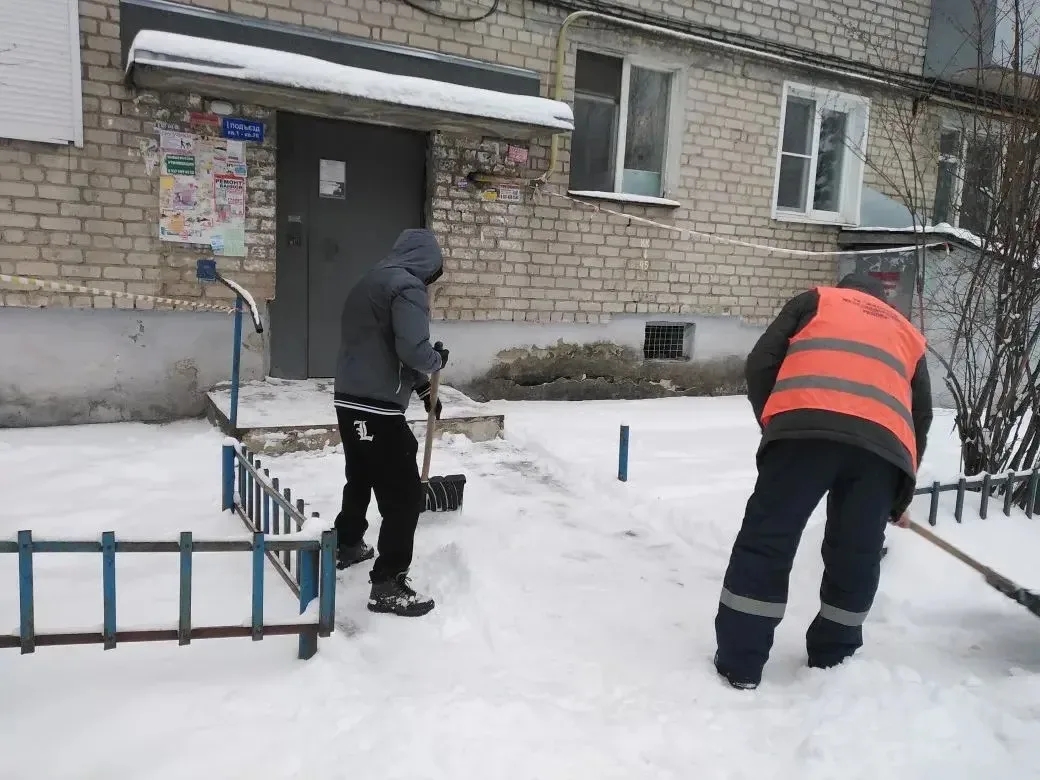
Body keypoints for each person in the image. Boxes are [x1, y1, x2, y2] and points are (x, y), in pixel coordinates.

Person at [713, 272, 932, 690]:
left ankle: (740, 665)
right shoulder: (907, 332)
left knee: (768, 540)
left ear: (844, 290)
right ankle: (834, 662)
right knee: (856, 553)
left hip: (803, 434)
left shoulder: (816, 301)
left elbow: (761, 362)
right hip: (881, 452)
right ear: (881, 301)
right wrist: (898, 494)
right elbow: (920, 416)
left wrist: (778, 423)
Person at [332, 228, 449, 618]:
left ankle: (347, 544)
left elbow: (381, 346)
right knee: (403, 496)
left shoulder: (370, 282)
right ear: (428, 264)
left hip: (349, 399)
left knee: (361, 475)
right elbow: (413, 350)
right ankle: (388, 583)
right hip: (378, 406)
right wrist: (436, 361)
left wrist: (422, 388)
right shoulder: (408, 287)